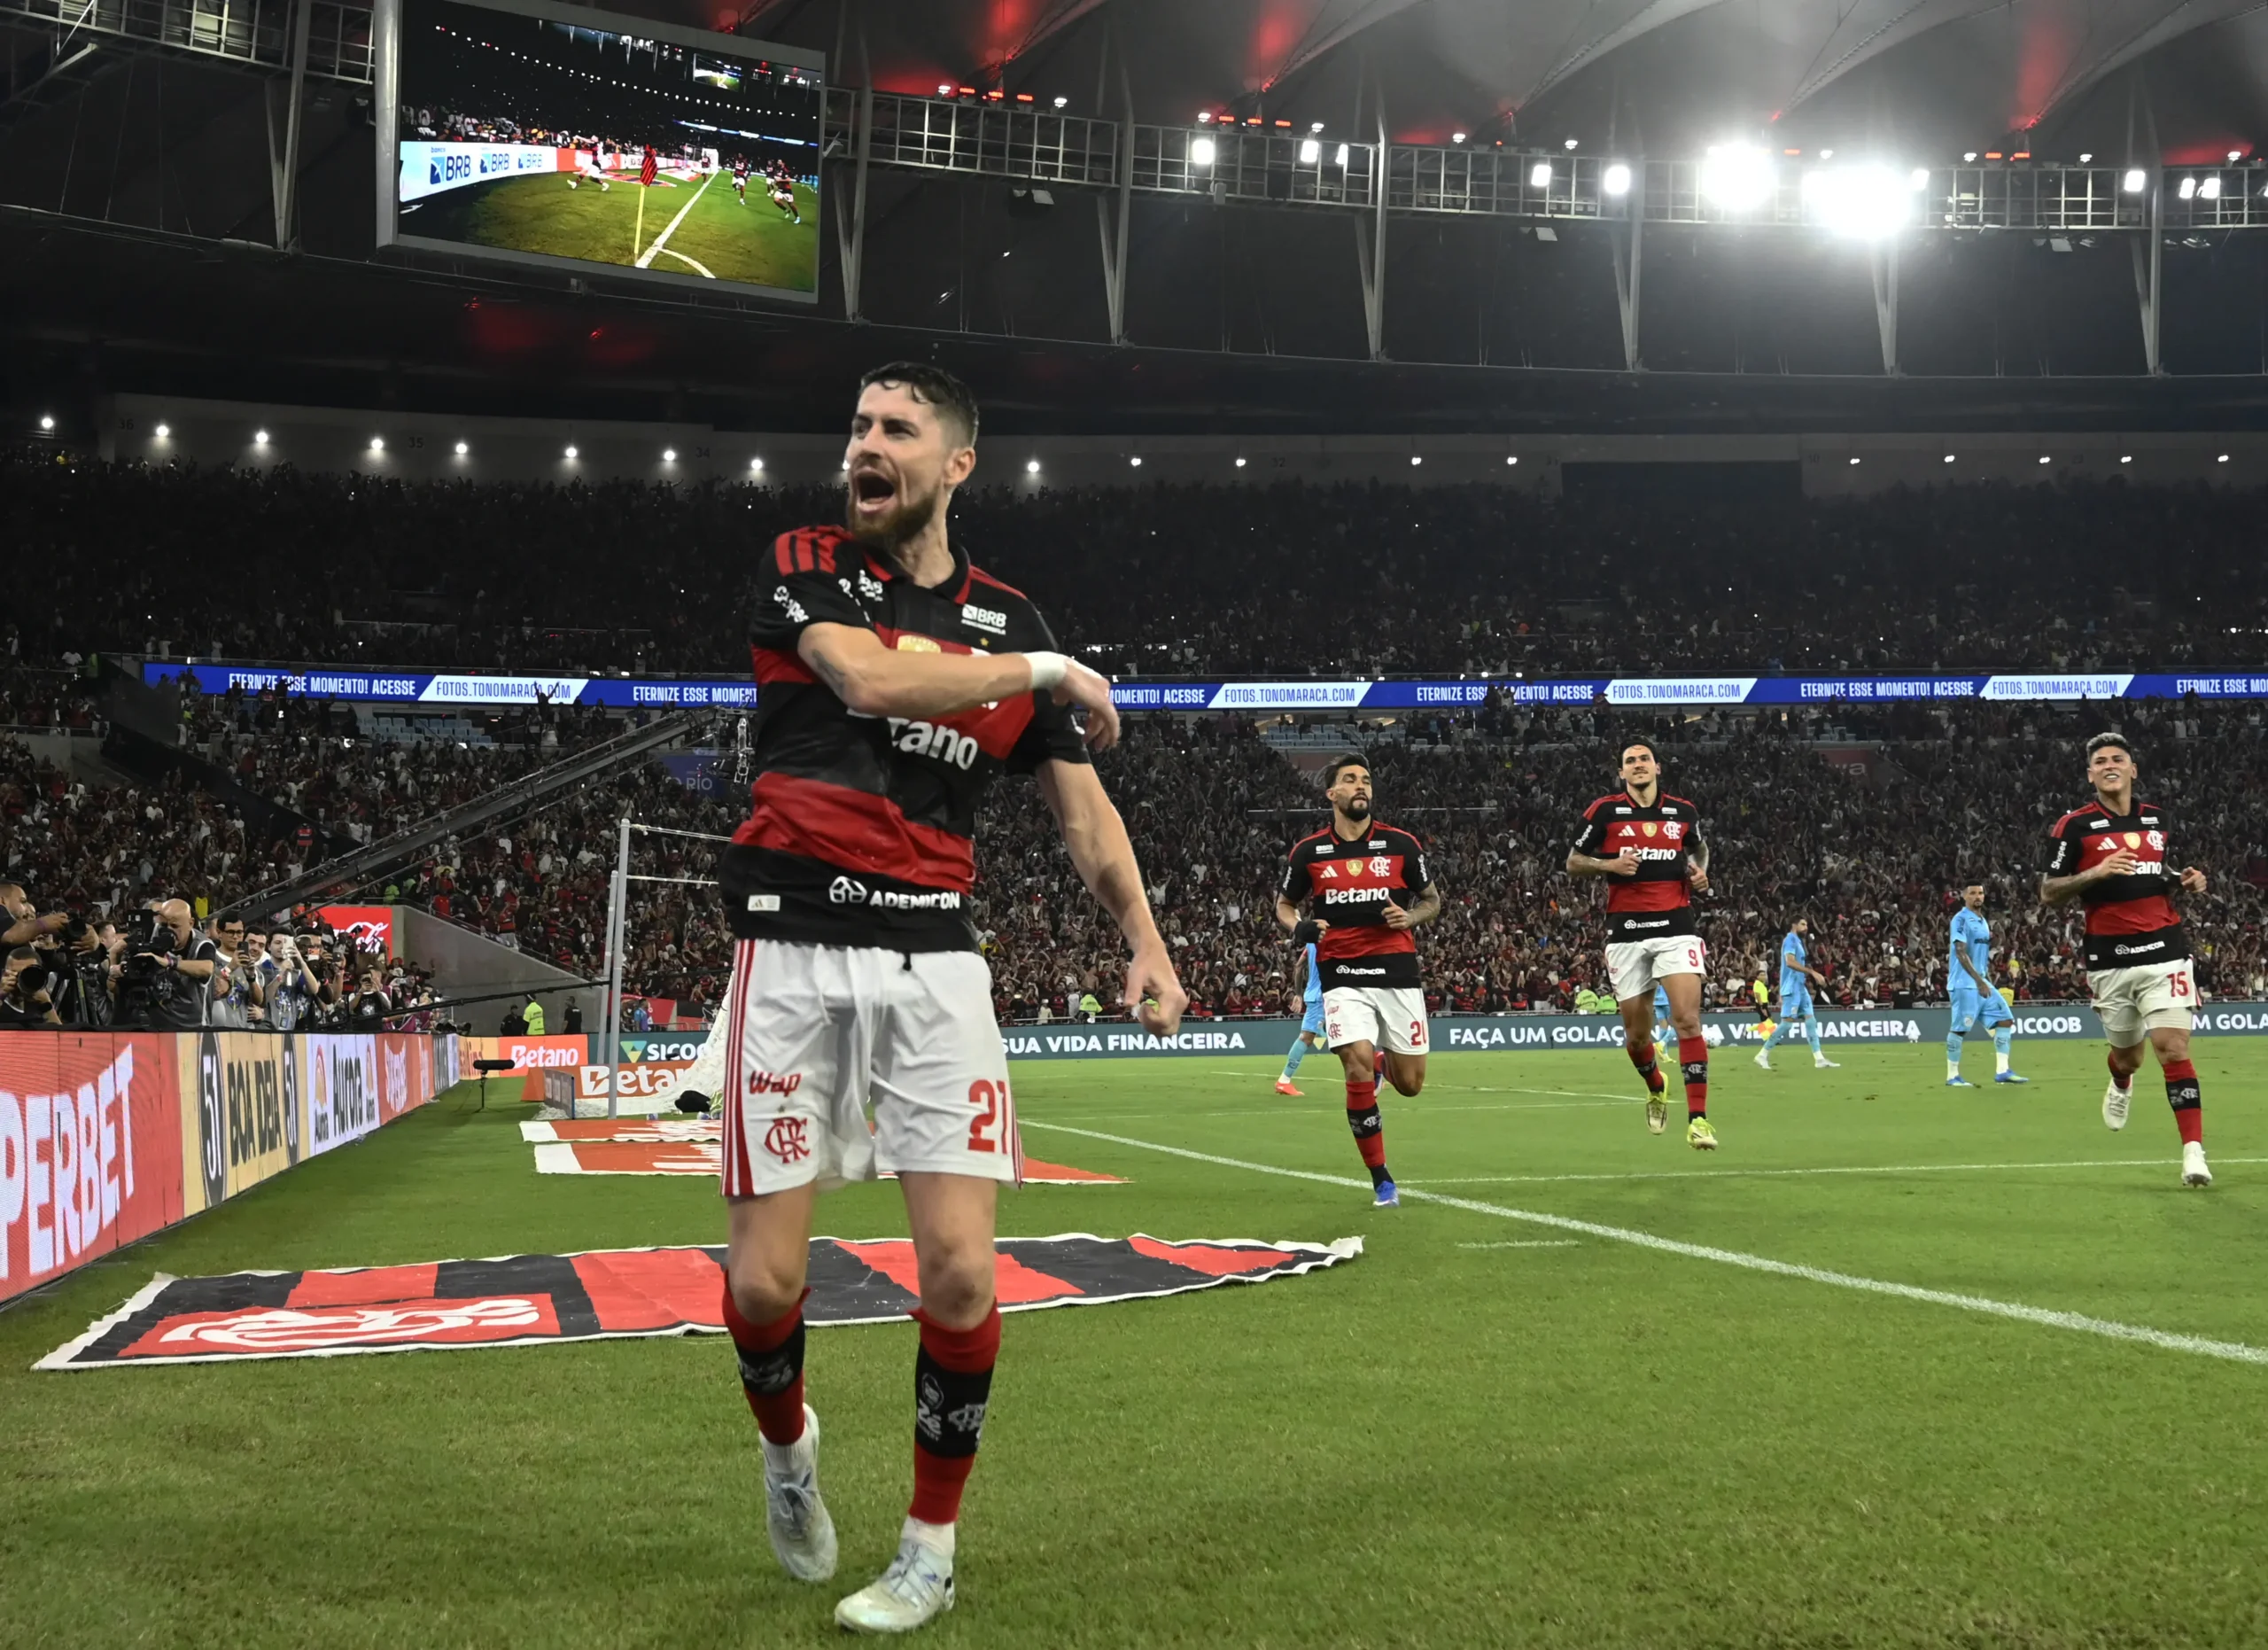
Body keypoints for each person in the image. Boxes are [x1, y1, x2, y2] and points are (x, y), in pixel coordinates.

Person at [714, 362, 1184, 1633]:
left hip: (936, 956)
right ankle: (788, 1449)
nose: (864, 446)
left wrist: (1142, 937)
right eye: (857, 425)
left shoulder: (1007, 616)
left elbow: (1083, 814)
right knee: (762, 1287)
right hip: (791, 942)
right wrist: (1043, 666)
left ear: (955, 464)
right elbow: (867, 681)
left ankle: (931, 1545)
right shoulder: (808, 561)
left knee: (965, 1274)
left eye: (895, 430)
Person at [2041, 732, 2212, 1187]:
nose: (2109, 765)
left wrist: (2185, 879)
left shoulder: (2158, 819)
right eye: (2100, 761)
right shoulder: (2072, 827)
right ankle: (2120, 1082)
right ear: (2091, 774)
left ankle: (2193, 1153)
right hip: (2110, 960)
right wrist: (2097, 871)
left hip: (2165, 952)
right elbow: (2048, 892)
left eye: (2118, 758)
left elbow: (2157, 873)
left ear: (2133, 770)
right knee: (2130, 1058)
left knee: (2172, 1048)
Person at [1274, 754, 1441, 1208]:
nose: (1360, 786)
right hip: (1342, 973)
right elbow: (1284, 906)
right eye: (1349, 780)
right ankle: (1381, 1178)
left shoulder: (1402, 845)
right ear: (1331, 794)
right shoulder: (1309, 853)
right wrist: (1299, 928)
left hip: (1398, 972)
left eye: (1366, 779)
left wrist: (1409, 917)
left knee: (1410, 1084)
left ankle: (1387, 1063)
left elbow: (1431, 900)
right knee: (1355, 1065)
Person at [1566, 742, 1716, 1148]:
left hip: (1676, 926)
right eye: (1630, 761)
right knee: (1636, 1037)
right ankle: (1655, 1084)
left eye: (1643, 759)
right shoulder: (1604, 811)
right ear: (1622, 773)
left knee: (1687, 1020)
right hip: (1626, 930)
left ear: (1657, 767)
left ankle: (1699, 1120)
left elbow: (1697, 846)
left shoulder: (1683, 812)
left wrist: (1699, 871)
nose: (1637, 765)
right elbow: (1573, 861)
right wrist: (1609, 864)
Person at [1944, 883, 2025, 1086]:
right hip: (1964, 984)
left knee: (2005, 1020)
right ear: (1964, 896)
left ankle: (2003, 1071)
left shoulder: (1982, 921)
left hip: (1982, 982)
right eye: (1972, 893)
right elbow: (1961, 953)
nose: (1977, 896)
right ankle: (1952, 1076)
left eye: (1980, 893)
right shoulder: (1961, 919)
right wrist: (1979, 981)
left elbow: (1978, 955)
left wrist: (1985, 978)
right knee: (1960, 1029)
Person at [1754, 916, 1837, 1072]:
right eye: (1803, 924)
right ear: (1794, 925)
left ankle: (1819, 1059)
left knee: (1811, 1021)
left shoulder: (1798, 942)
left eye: (1807, 924)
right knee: (1786, 1023)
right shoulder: (1790, 940)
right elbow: (1790, 962)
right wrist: (1812, 972)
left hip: (1800, 987)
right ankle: (1762, 1054)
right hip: (1791, 987)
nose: (1806, 927)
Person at [1274, 935, 1328, 1096]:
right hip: (1322, 996)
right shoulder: (1329, 939)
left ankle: (1371, 1071)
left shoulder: (1312, 942)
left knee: (1341, 1034)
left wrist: (1298, 994)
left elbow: (1298, 967)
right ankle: (1284, 1081)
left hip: (1318, 995)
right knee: (1306, 1037)